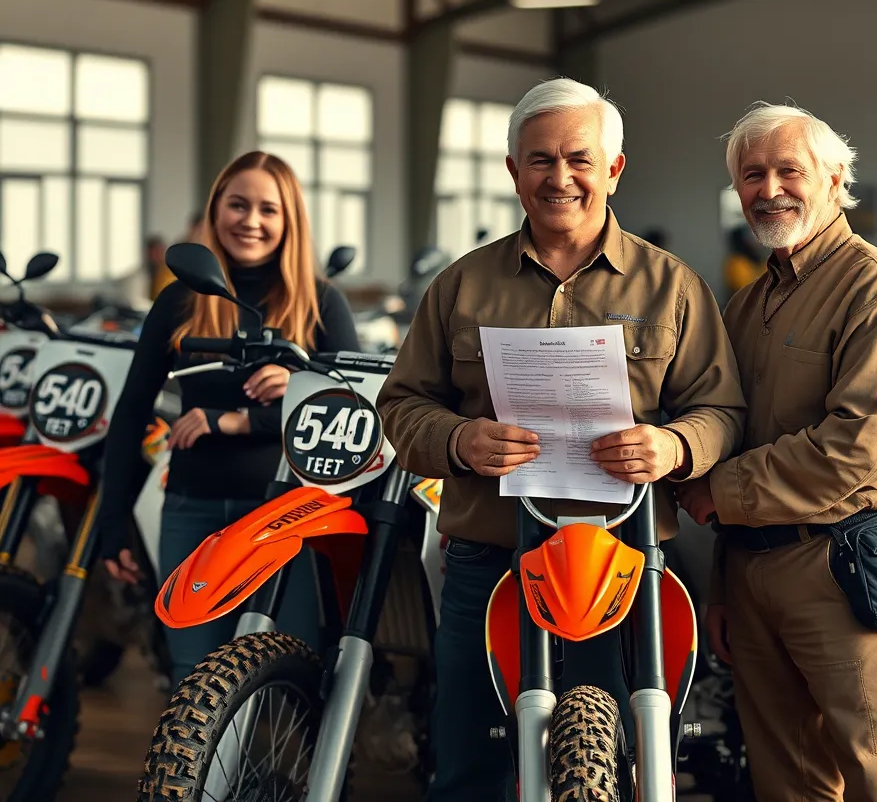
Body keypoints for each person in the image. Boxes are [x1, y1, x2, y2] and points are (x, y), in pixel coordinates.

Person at [377, 77, 746, 801]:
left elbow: (722, 410)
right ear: (513, 171)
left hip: (623, 563)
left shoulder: (671, 288)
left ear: (614, 168)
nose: (560, 177)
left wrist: (671, 448)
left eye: (579, 158)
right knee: (467, 768)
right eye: (539, 160)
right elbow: (402, 404)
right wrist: (459, 440)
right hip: (488, 566)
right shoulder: (460, 287)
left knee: (615, 761)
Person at [677, 103, 877, 802]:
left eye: (787, 170)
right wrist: (723, 589)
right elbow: (732, 431)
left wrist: (720, 492)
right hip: (753, 573)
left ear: (834, 176)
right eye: (751, 175)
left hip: (844, 566)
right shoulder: (745, 307)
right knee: (785, 785)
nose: (769, 189)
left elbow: (859, 448)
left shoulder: (873, 287)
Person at [98, 150, 360, 687]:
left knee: (291, 675)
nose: (251, 220)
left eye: (268, 209)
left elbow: (356, 410)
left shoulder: (321, 305)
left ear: (290, 220)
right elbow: (130, 412)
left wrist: (292, 391)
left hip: (287, 516)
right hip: (190, 508)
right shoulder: (181, 299)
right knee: (191, 678)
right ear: (216, 210)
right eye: (237, 204)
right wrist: (111, 521)